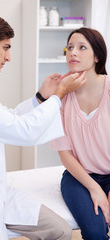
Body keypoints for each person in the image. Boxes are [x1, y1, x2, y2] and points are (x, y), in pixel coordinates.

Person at [0, 10, 86, 240]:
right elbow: (23, 132)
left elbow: (8, 118)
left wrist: (41, 98)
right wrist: (59, 95)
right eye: (5, 47)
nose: (9, 57)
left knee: (60, 230)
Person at [51, 27, 110, 240]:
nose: (73, 52)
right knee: (95, 232)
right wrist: (94, 188)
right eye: (70, 48)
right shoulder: (60, 97)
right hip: (79, 177)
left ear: (97, 56)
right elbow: (65, 153)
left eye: (82, 47)